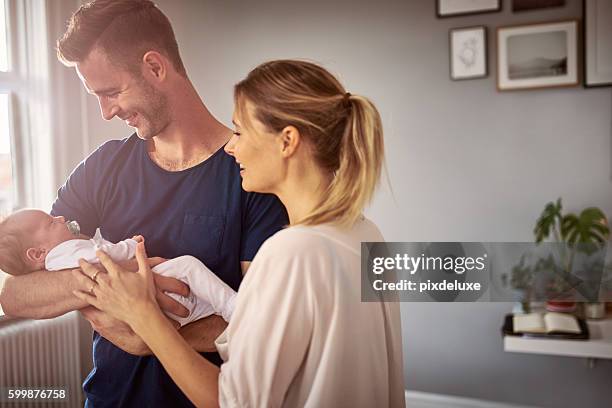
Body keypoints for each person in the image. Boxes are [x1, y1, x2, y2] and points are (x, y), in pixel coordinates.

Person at [0, 1, 287, 407]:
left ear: (155, 67)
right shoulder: (103, 167)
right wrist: (103, 285)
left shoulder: (251, 178)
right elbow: (15, 293)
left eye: (111, 92)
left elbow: (263, 326)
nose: (106, 111)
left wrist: (145, 330)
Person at [76, 59, 406, 407]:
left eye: (240, 131)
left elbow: (232, 402)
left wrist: (144, 317)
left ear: (287, 141)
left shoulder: (291, 253)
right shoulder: (365, 233)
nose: (232, 147)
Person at [0, 209, 236, 325]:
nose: (61, 218)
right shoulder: (66, 251)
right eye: (51, 222)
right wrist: (132, 245)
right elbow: (107, 256)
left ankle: (226, 311)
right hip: (144, 295)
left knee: (196, 294)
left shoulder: (58, 260)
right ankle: (234, 308)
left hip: (148, 312)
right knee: (188, 267)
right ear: (37, 253)